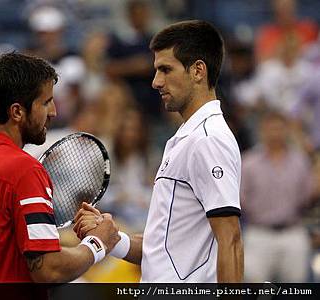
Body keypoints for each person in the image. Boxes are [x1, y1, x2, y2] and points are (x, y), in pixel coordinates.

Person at [75, 20, 244, 283]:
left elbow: (230, 240)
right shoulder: (184, 139)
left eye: (166, 69)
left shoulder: (208, 140)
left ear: (198, 71)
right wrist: (110, 237)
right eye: (156, 70)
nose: (155, 82)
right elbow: (164, 250)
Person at [0, 52, 120, 285]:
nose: (54, 112)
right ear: (17, 112)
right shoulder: (26, 170)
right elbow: (47, 270)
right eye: (46, 102)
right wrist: (96, 244)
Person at [241, 111, 314, 282]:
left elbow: (306, 197)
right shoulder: (249, 162)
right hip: (259, 232)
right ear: (262, 131)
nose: (275, 133)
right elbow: (240, 198)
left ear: (285, 131)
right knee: (258, 289)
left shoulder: (300, 161)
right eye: (270, 129)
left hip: (292, 231)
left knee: (296, 288)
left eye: (279, 129)